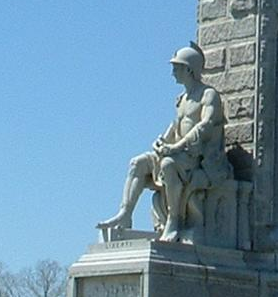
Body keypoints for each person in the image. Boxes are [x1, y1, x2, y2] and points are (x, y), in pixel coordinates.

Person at [97, 44, 231, 243]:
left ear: (189, 69)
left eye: (176, 67)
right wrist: (161, 141)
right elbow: (175, 126)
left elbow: (206, 125)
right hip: (178, 153)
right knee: (138, 163)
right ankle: (125, 215)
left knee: (168, 164)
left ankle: (174, 221)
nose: (172, 73)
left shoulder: (208, 94)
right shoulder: (182, 98)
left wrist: (176, 147)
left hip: (198, 159)